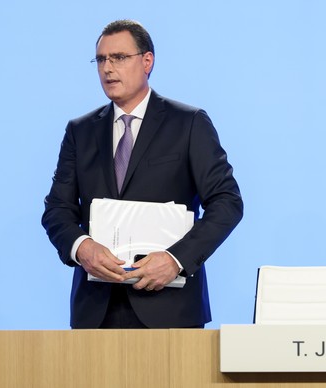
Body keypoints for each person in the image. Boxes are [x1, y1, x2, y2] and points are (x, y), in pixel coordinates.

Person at [41, 19, 243, 329]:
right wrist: (81, 246)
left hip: (169, 309)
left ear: (147, 61)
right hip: (96, 311)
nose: (108, 68)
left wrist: (175, 260)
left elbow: (227, 202)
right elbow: (57, 209)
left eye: (119, 57)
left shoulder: (188, 123)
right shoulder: (80, 131)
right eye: (101, 59)